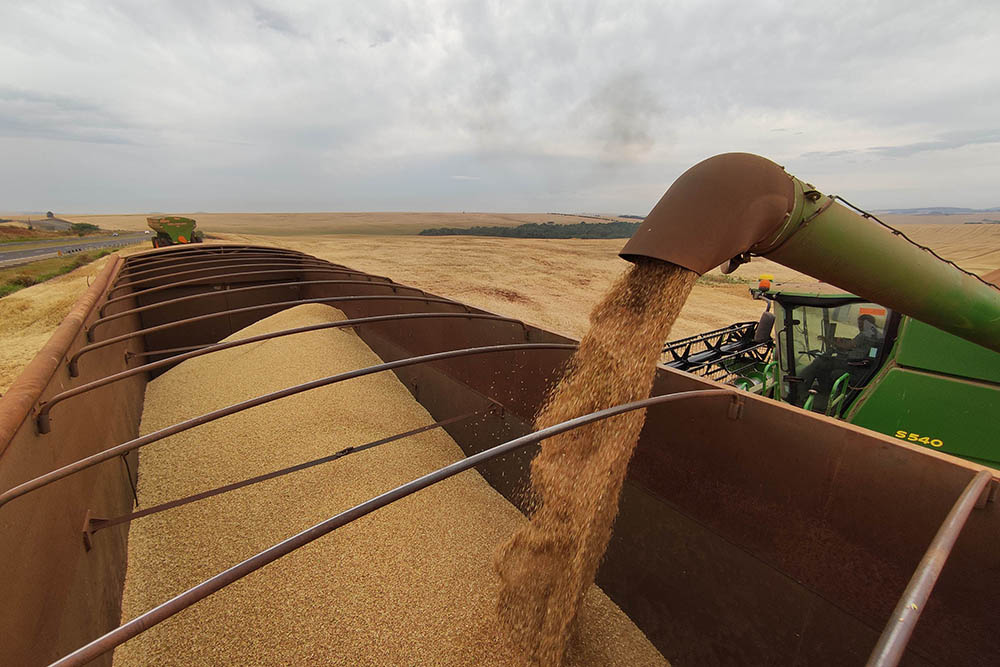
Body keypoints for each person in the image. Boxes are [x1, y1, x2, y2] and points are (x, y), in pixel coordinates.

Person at [797, 314, 882, 408]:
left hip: (853, 365)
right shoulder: (876, 334)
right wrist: (843, 340)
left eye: (861, 324)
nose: (859, 326)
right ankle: (824, 389)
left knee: (821, 363)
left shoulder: (865, 334)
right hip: (861, 364)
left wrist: (828, 341)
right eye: (859, 324)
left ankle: (802, 392)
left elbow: (847, 346)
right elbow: (862, 347)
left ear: (868, 324)